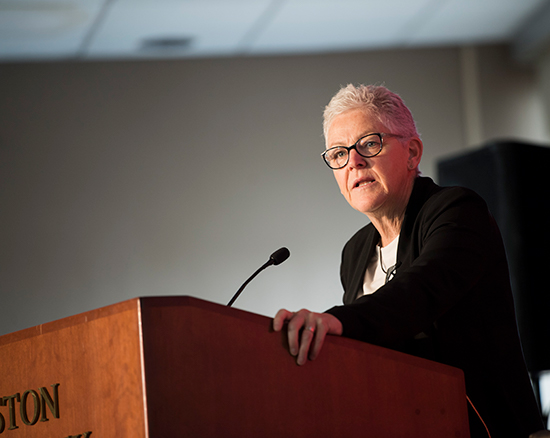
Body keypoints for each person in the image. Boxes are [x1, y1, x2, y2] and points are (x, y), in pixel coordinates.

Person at [273, 84, 546, 438]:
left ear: (412, 153)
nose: (353, 161)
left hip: (483, 427)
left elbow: (420, 291)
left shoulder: (457, 210)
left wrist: (334, 322)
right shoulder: (355, 253)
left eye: (369, 144)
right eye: (338, 154)